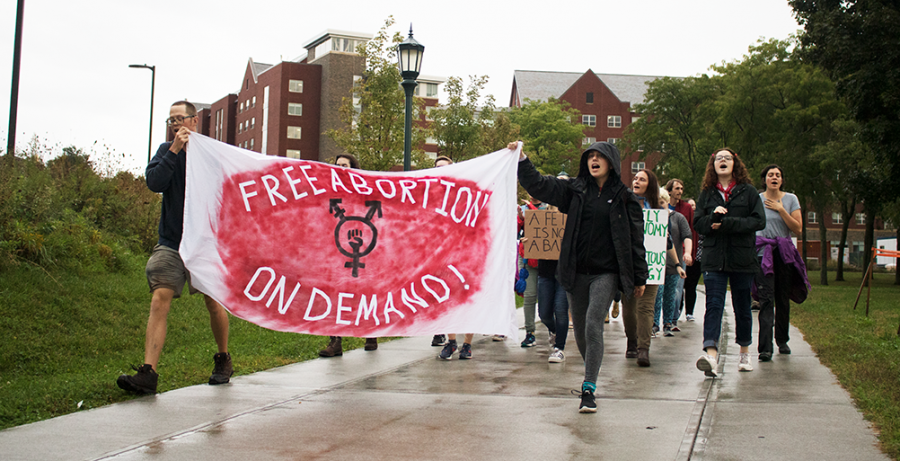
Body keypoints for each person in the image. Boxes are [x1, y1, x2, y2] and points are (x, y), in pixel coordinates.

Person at [516, 140, 647, 413]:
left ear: (611, 161)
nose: (594, 160)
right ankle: (593, 370)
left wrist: (639, 277)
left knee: (591, 323)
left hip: (606, 273)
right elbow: (540, 185)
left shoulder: (625, 197)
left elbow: (636, 240)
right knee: (584, 337)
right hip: (575, 273)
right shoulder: (574, 190)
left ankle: (588, 387)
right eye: (590, 156)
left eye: (600, 156)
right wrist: (522, 159)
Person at [117, 101, 233, 394]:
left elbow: (228, 195)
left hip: (204, 243)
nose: (175, 124)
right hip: (171, 243)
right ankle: (148, 373)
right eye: (170, 120)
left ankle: (223, 358)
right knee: (160, 298)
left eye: (180, 119)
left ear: (195, 121)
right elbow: (155, 183)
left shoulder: (211, 155)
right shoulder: (165, 152)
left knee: (212, 301)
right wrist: (174, 151)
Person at [693, 148, 766, 377]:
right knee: (713, 305)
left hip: (742, 259)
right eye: (718, 159)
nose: (722, 161)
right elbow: (699, 224)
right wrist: (713, 217)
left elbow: (758, 221)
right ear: (712, 165)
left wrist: (727, 223)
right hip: (714, 259)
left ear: (735, 164)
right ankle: (711, 356)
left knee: (742, 307)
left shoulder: (749, 192)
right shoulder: (707, 193)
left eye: (727, 158)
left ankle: (744, 352)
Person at [319, 153, 378, 357]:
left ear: (354, 167)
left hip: (363, 247)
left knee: (364, 292)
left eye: (345, 165)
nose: (341, 168)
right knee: (336, 293)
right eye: (338, 165)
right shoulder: (329, 190)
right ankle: (335, 341)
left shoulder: (365, 190)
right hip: (336, 246)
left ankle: (371, 332)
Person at [755, 164, 806, 361]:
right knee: (766, 299)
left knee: (782, 298)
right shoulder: (757, 200)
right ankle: (765, 348)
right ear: (765, 179)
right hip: (762, 253)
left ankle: (782, 340)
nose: (774, 177)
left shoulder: (791, 199)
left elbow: (798, 229)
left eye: (777, 175)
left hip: (784, 253)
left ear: (782, 180)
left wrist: (781, 209)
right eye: (770, 175)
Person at [433, 156, 477, 360]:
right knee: (444, 299)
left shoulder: (465, 193)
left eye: (443, 167)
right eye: (436, 167)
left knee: (467, 300)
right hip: (440, 255)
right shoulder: (429, 194)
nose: (439, 170)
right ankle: (451, 342)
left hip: (466, 255)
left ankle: (467, 344)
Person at [623, 169, 664, 366]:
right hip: (628, 265)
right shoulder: (622, 204)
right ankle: (632, 341)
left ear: (650, 185)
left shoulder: (658, 210)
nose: (636, 181)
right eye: (635, 178)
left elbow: (667, 239)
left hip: (652, 264)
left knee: (646, 307)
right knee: (629, 307)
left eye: (642, 179)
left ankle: (643, 349)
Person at [537, 175, 570, 363]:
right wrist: (529, 241)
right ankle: (555, 331)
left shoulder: (573, 213)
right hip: (546, 271)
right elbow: (531, 235)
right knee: (544, 314)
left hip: (564, 272)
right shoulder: (541, 214)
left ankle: (559, 348)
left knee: (561, 309)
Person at [658, 188, 689, 337]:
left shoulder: (678, 218)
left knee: (671, 295)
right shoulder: (651, 219)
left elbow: (686, 236)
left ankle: (668, 323)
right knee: (657, 295)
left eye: (662, 202)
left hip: (672, 264)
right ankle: (654, 324)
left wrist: (683, 258)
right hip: (656, 265)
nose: (660, 206)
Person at [518, 194, 548, 347]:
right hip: (528, 259)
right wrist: (521, 221)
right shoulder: (522, 209)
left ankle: (552, 329)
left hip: (546, 261)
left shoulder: (549, 208)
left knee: (546, 298)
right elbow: (514, 233)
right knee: (529, 296)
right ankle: (530, 332)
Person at [666, 179, 694, 325]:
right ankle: (659, 320)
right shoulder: (660, 206)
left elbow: (689, 232)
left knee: (677, 289)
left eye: (682, 189)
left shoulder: (686, 208)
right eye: (677, 188)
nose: (680, 191)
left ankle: (672, 319)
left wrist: (689, 252)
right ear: (669, 191)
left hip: (680, 252)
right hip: (662, 255)